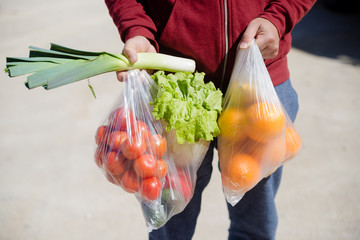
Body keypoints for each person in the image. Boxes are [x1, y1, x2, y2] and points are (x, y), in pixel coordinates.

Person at [105, 1, 316, 239]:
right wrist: (137, 27)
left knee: (255, 226)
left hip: (259, 86)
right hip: (178, 92)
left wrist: (278, 17)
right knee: (169, 225)